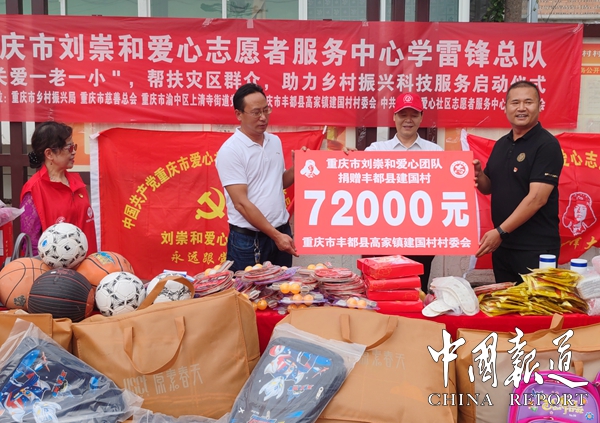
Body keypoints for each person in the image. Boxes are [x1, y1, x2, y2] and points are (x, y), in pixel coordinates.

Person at [474, 80, 563, 283]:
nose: (521, 108)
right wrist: (479, 176)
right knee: (505, 301)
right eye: (515, 102)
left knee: (534, 303)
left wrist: (500, 231)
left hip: (535, 249)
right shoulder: (501, 144)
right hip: (503, 247)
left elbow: (537, 198)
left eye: (528, 102)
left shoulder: (547, 145)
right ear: (505, 107)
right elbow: (489, 187)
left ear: (539, 106)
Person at [363, 92, 443, 293]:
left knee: (416, 292)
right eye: (402, 114)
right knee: (380, 292)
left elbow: (443, 192)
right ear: (394, 117)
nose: (408, 120)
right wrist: (348, 160)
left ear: (421, 117)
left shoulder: (435, 152)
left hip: (420, 238)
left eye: (414, 115)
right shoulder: (375, 150)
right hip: (381, 237)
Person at [215, 83, 298, 272]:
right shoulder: (231, 150)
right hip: (248, 241)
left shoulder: (274, 141)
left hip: (281, 232)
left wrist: (297, 169)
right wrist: (276, 236)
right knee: (246, 290)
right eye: (256, 112)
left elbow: (278, 182)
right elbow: (241, 203)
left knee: (283, 288)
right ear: (239, 114)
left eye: (266, 110)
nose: (263, 117)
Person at [20, 121, 97, 255]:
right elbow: (31, 245)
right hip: (57, 267)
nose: (74, 152)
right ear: (49, 154)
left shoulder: (76, 182)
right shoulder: (33, 190)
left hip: (88, 264)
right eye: (69, 148)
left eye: (74, 146)